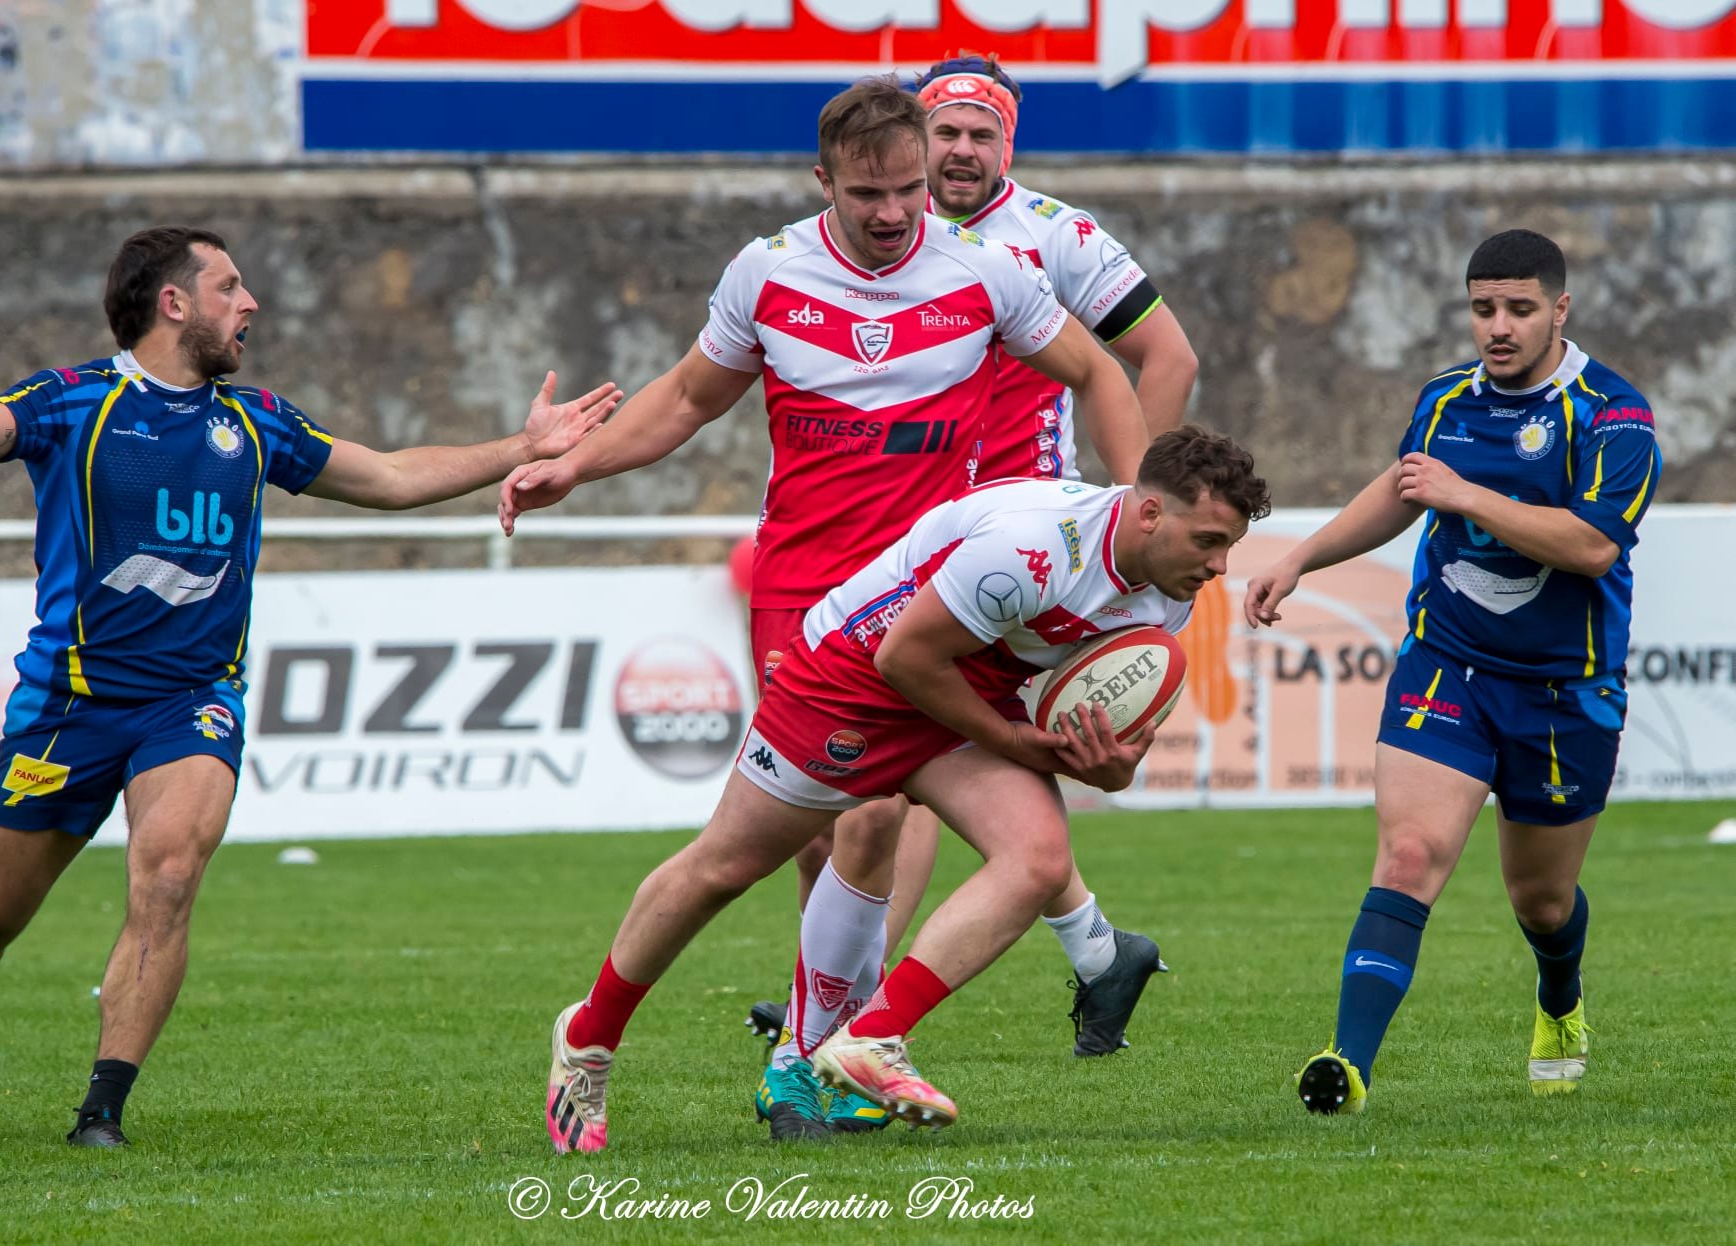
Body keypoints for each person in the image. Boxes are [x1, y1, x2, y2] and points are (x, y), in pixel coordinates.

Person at [0, 226, 619, 1148]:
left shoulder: (255, 422)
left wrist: (521, 445)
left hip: (192, 700)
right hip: (68, 704)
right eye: (230, 287)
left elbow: (396, 477)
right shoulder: (72, 402)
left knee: (167, 875)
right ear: (174, 302)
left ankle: (102, 1112)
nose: (250, 304)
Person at [500, 77, 1150, 1144]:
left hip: (934, 612)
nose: (893, 212)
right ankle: (594, 1031)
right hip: (806, 605)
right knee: (769, 847)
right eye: (866, 194)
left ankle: (815, 1061)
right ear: (822, 184)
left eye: (906, 191)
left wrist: (1133, 522)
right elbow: (681, 401)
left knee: (941, 836)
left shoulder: (986, 270)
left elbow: (1102, 375)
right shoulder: (767, 275)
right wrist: (577, 465)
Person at [537, 427, 1268, 1153]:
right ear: (1148, 514)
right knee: (723, 868)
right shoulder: (1030, 547)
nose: (1219, 565)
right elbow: (904, 657)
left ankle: (873, 1038)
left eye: (1228, 545)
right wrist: (1014, 741)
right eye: (1208, 540)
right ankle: (588, 1038)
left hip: (971, 687)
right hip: (853, 677)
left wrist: (1109, 767)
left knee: (1038, 858)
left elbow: (1096, 729)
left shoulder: (1168, 598)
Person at [758, 53, 1204, 1075]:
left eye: (979, 133)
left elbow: (1163, 357)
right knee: (875, 790)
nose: (959, 150)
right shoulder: (877, 238)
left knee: (887, 780)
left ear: (1008, 143)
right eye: (943, 131)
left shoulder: (1053, 235)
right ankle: (1090, 948)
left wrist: (1133, 520)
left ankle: (838, 1019)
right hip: (915, 530)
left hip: (1025, 551)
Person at [1243, 229, 1661, 1114]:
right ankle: (1346, 1065)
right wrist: (1303, 558)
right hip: (1450, 664)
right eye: (1482, 309)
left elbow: (1592, 546)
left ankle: (1560, 1000)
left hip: (1564, 689)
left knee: (1542, 902)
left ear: (1561, 309)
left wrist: (1467, 494)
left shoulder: (1613, 414)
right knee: (1408, 854)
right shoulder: (1445, 400)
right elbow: (1402, 489)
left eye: (1518, 309)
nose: (1497, 328)